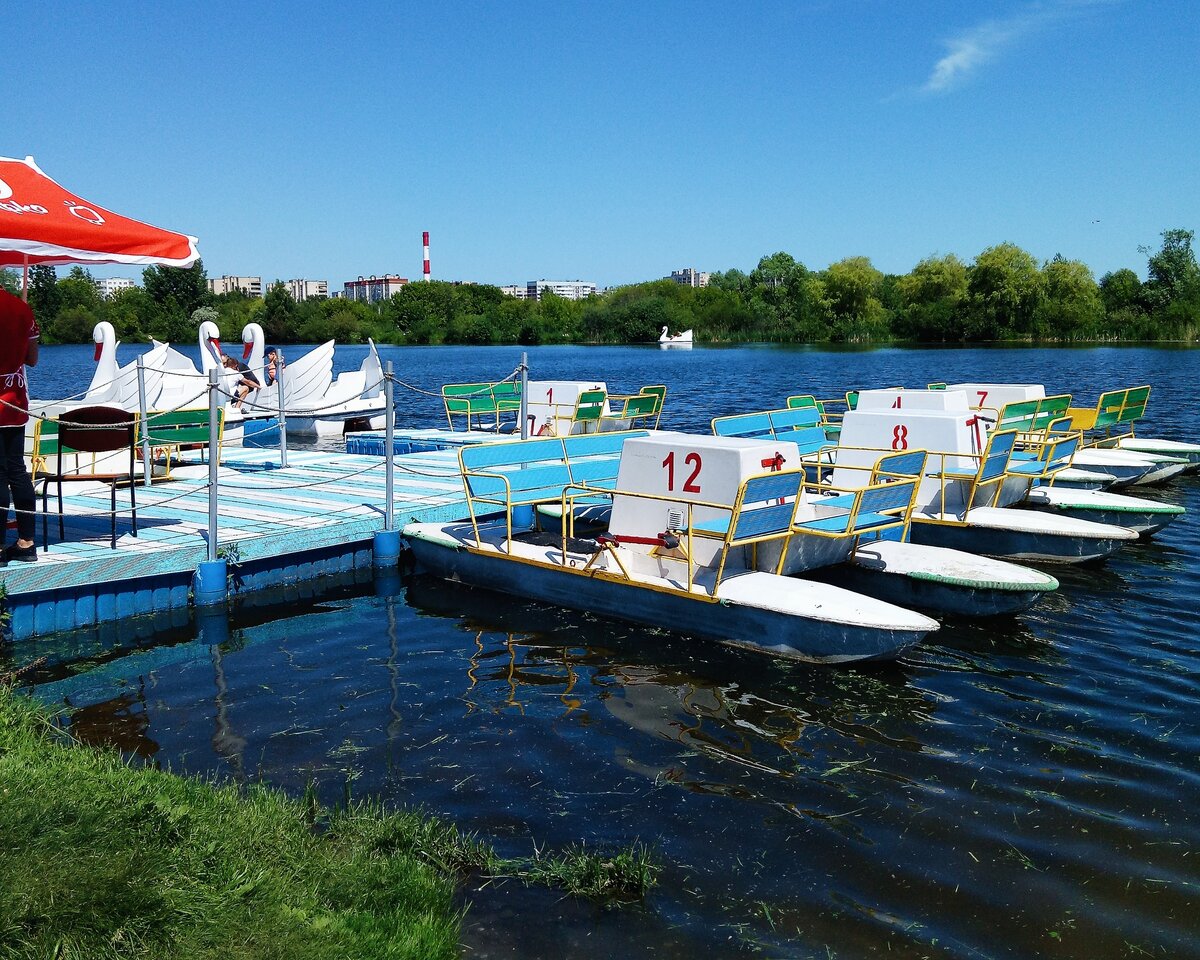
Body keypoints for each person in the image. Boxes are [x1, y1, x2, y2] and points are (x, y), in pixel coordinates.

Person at [0, 288, 40, 564]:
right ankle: (27, 541)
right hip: (14, 398)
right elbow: (33, 358)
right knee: (16, 468)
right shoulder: (22, 309)